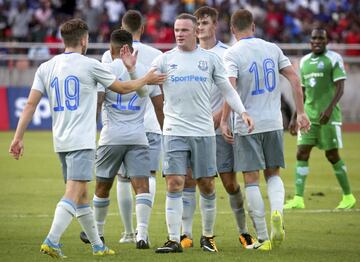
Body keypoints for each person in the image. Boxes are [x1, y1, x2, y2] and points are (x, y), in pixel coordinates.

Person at [8, 18, 165, 258]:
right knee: (74, 192)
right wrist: (145, 79)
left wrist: (18, 137)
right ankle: (52, 239)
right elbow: (122, 88)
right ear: (84, 40)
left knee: (82, 197)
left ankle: (97, 245)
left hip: (60, 141)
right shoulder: (90, 65)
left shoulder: (46, 67)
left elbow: (30, 104)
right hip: (81, 140)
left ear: (64, 40)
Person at [153, 13, 254, 254]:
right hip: (174, 131)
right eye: (177, 30)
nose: (179, 34)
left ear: (194, 32)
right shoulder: (165, 60)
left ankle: (207, 236)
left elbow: (228, 90)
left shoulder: (209, 60)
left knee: (207, 185)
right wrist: (132, 70)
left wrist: (242, 113)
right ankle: (173, 239)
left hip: (204, 132)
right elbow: (145, 84)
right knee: (174, 182)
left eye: (184, 30)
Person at [221, 9, 310, 251]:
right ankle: (278, 212)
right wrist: (300, 112)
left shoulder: (232, 53)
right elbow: (294, 79)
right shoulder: (272, 48)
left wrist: (224, 120)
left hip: (247, 124)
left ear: (232, 29)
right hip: (273, 122)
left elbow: (230, 90)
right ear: (253, 26)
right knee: (273, 175)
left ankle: (262, 238)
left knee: (251, 180)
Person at [79, 29, 162, 249]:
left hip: (110, 137)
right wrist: (165, 131)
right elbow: (158, 106)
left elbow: (97, 103)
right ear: (131, 48)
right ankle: (142, 234)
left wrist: (89, 133)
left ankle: (99, 233)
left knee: (102, 186)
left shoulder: (104, 70)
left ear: (110, 48)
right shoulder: (146, 72)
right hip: (138, 135)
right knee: (142, 185)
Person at [101, 10, 164, 243]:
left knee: (124, 180)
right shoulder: (157, 54)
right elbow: (160, 94)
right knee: (148, 177)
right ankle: (142, 231)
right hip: (150, 125)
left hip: (119, 126)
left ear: (122, 27)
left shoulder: (109, 58)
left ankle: (128, 232)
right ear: (143, 28)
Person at [284, 28, 356, 210]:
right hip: (309, 116)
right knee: (302, 153)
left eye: (320, 38)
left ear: (326, 40)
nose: (317, 41)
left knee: (332, 155)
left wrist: (329, 109)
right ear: (310, 41)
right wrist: (295, 116)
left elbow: (340, 87)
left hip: (328, 117)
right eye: (314, 38)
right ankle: (298, 199)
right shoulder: (305, 61)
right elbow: (303, 91)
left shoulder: (333, 59)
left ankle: (348, 197)